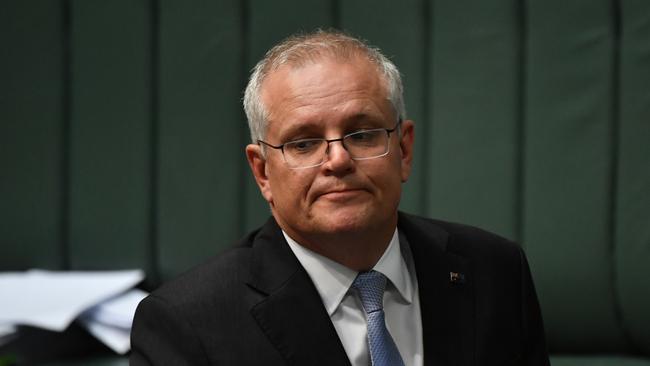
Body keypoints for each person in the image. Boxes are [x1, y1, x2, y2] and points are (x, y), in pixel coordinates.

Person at [130, 29, 550, 366]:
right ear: (263, 173)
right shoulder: (188, 323)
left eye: (363, 134)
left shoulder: (495, 273)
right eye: (304, 143)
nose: (338, 160)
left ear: (403, 150)